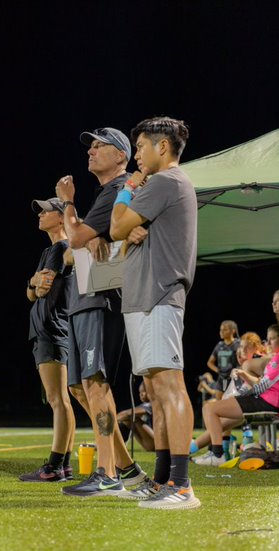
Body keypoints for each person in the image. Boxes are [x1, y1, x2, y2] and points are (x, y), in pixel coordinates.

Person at [110, 116, 200, 509]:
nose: (137, 158)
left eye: (141, 148)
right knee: (158, 392)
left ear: (162, 147)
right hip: (146, 296)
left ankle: (181, 485)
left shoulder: (165, 181)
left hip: (160, 294)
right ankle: (163, 478)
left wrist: (128, 189)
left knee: (169, 387)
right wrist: (131, 228)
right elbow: (126, 233)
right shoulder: (164, 185)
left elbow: (115, 226)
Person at [55, 127, 146, 497]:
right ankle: (126, 468)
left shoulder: (119, 186)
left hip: (101, 297)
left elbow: (73, 238)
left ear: (122, 156)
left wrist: (68, 205)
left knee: (94, 382)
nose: (91, 151)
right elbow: (72, 249)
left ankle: (107, 473)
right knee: (79, 386)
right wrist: (90, 235)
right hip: (84, 297)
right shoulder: (106, 193)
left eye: (99, 146)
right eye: (89, 146)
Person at [19, 197, 76, 482]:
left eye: (45, 210)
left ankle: (54, 466)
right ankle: (63, 464)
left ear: (60, 215)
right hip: (49, 330)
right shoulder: (49, 250)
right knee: (61, 399)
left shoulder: (61, 248)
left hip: (52, 330)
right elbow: (31, 291)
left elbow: (41, 290)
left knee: (57, 399)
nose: (40, 214)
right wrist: (33, 282)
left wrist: (34, 283)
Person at [195, 324, 279, 466]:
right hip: (265, 400)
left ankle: (217, 454)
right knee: (214, 412)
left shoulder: (276, 360)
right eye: (268, 339)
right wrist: (243, 377)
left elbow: (263, 386)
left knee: (210, 409)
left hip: (267, 402)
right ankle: (214, 451)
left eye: (272, 339)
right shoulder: (274, 358)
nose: (268, 342)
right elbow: (263, 382)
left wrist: (244, 394)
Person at [207, 320, 240, 399]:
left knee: (232, 404)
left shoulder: (238, 344)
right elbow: (210, 363)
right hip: (221, 379)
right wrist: (218, 371)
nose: (221, 332)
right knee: (219, 403)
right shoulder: (219, 345)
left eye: (225, 330)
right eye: (220, 330)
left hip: (234, 379)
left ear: (233, 331)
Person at [117, 381, 154, 452]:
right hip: (149, 443)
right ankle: (115, 444)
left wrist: (112, 421)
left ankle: (111, 443)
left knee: (133, 418)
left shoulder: (152, 404)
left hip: (157, 443)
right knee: (129, 420)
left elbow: (127, 413)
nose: (141, 394)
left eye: (144, 391)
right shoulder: (145, 405)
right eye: (140, 392)